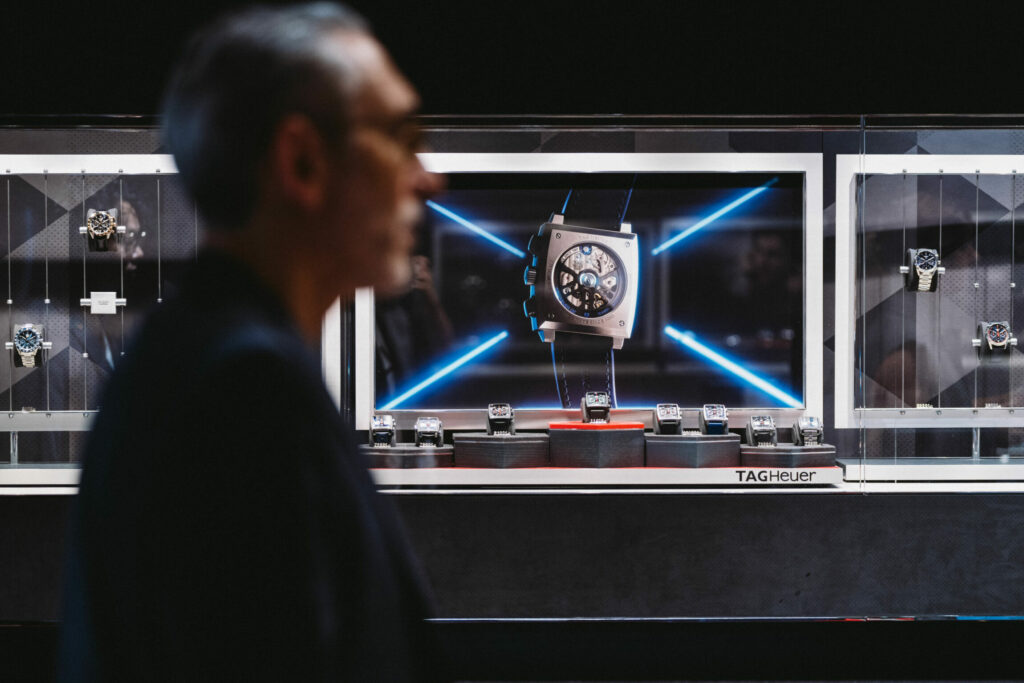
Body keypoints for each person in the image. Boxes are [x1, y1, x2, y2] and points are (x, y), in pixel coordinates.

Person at [57, 3, 446, 681]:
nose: (428, 176)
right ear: (301, 161)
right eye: (402, 134)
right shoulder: (246, 395)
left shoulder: (200, 360)